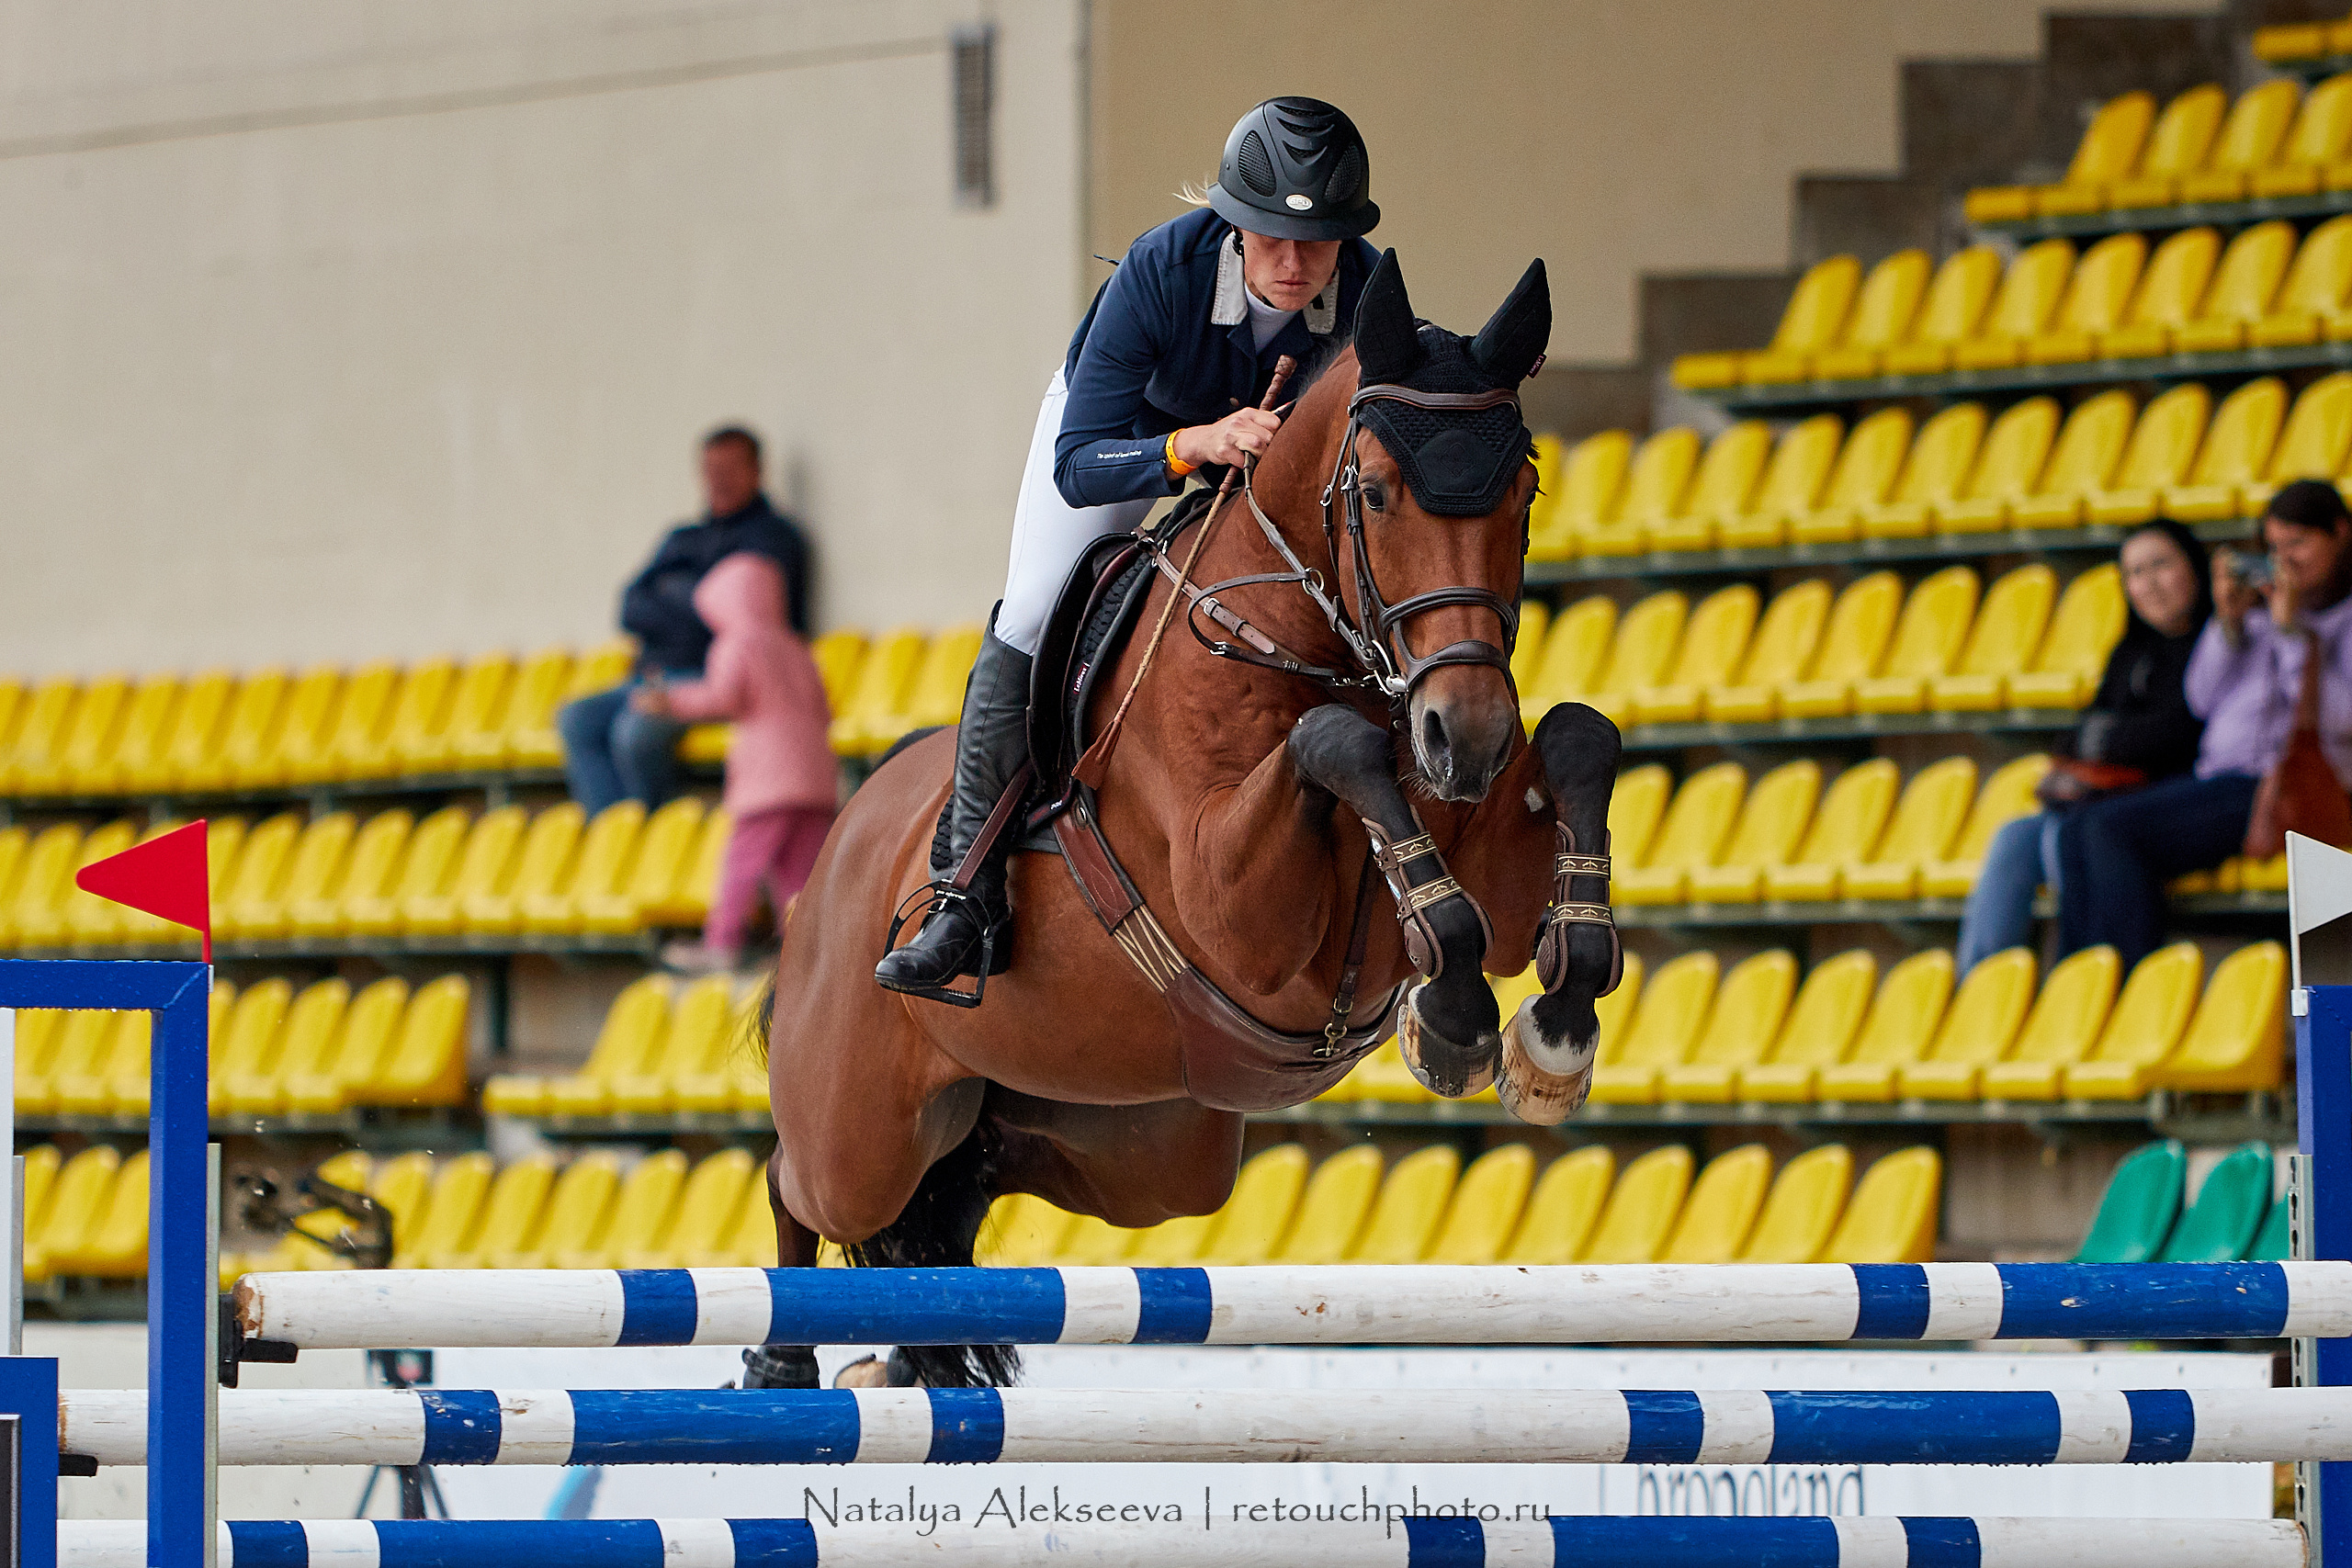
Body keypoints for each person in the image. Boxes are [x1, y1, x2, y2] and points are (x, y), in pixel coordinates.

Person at [875, 97, 1385, 998]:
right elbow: (1079, 465)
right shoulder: (1160, 270)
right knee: (1034, 606)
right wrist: (1191, 445)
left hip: (1267, 483)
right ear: (1233, 222)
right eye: (1271, 237)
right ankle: (963, 894)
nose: (1297, 263)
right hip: (1128, 435)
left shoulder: (1367, 293)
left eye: (1321, 241)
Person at [2057, 479, 2352, 966]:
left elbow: (2340, 720)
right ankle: (2080, 995)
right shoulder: (2258, 616)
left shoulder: (2332, 619)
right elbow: (2201, 697)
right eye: (2274, 547)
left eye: (2298, 543)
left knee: (2111, 831)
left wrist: (2291, 634)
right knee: (2076, 830)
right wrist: (2228, 624)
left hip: (2287, 786)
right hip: (2223, 780)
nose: (2286, 561)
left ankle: (2122, 989)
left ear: (2340, 534)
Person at [1953, 520, 2211, 972]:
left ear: (2195, 567)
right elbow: (2075, 737)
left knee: (2066, 837)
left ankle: (2081, 981)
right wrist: (2119, 740)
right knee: (2014, 837)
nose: (2149, 584)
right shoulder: (2130, 650)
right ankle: (1979, 992)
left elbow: (2180, 734)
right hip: (2106, 798)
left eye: (2161, 565)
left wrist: (2112, 740)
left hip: (2167, 804)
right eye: (2134, 572)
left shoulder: (2216, 643)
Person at [560, 426, 812, 815]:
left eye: (729, 470)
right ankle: (613, 837)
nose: (719, 481)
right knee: (577, 718)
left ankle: (654, 833)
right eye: (711, 470)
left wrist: (670, 601)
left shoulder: (774, 538)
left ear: (756, 472)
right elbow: (629, 605)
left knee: (634, 734)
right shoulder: (682, 537)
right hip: (652, 676)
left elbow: (731, 621)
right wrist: (687, 605)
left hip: (708, 678)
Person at [630, 553, 836, 973]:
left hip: (767, 779)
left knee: (742, 865)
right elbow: (825, 708)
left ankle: (722, 943)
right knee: (803, 873)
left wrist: (669, 700)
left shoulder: (737, 643)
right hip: (815, 776)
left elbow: (723, 698)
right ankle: (804, 954)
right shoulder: (796, 646)